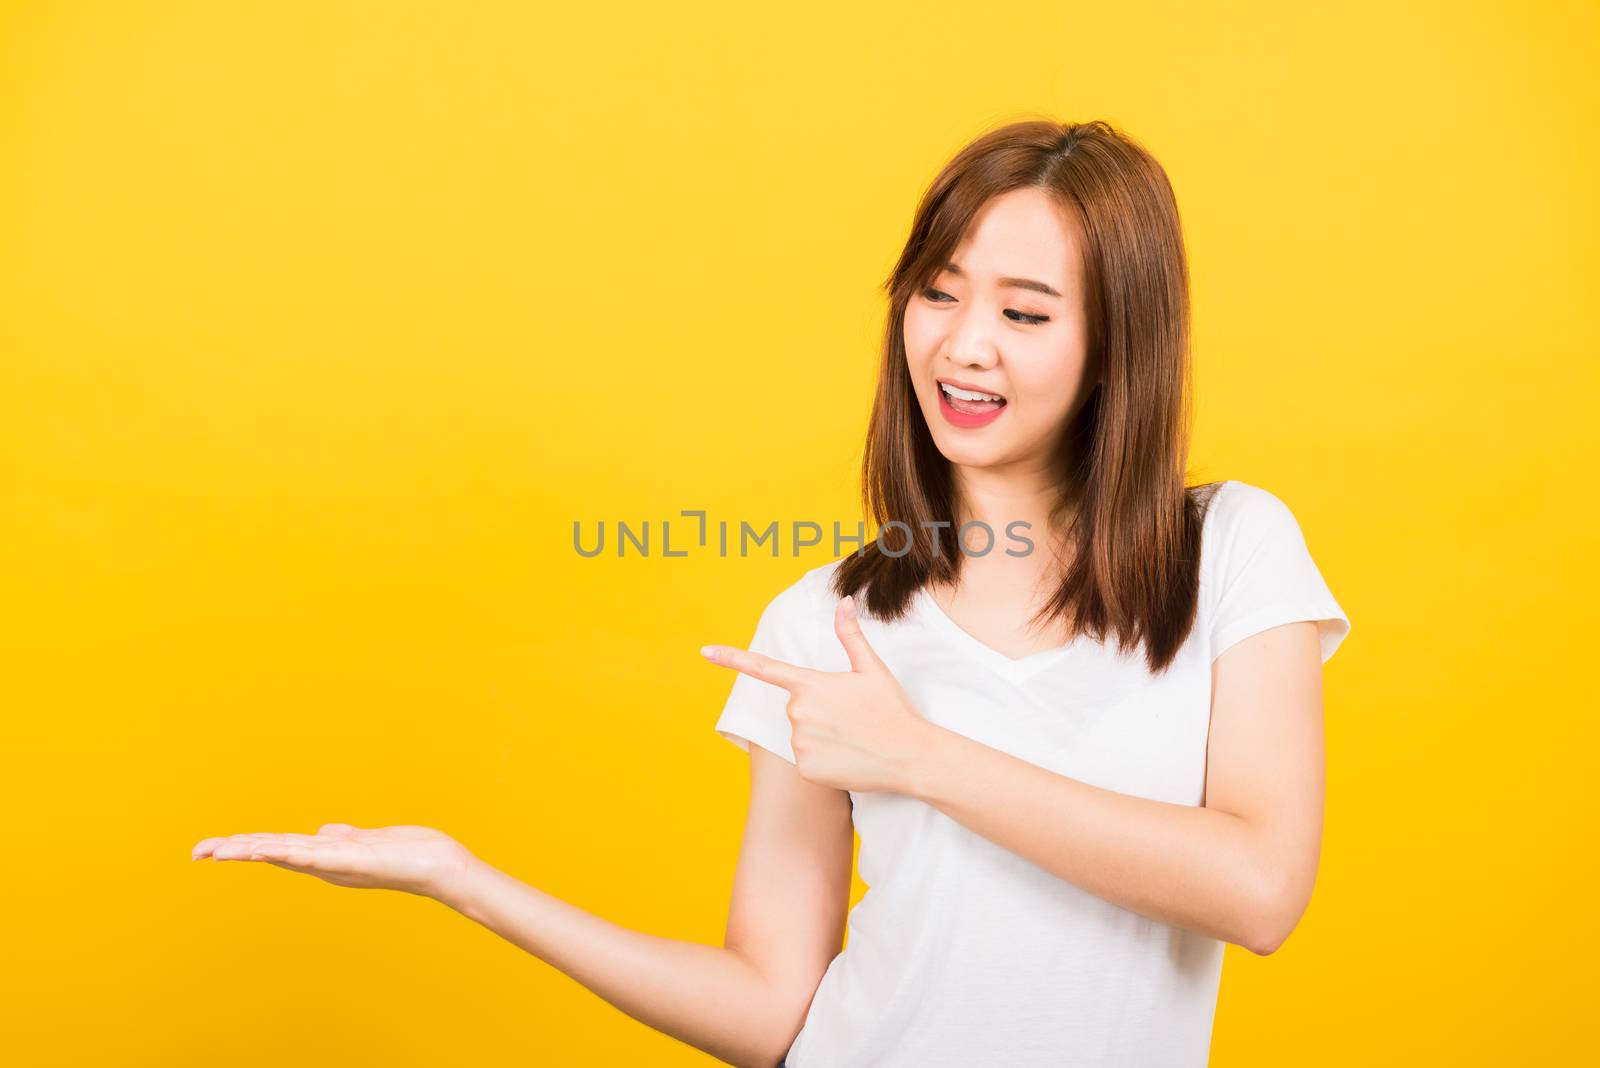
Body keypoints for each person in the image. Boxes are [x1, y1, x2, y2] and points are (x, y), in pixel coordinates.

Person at [191, 118, 1350, 1068]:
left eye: (1025, 313)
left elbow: (1256, 891)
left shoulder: (1233, 551)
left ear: (1117, 347)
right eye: (937, 294)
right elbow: (768, 1005)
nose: (964, 345)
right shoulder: (827, 622)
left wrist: (918, 758)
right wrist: (463, 879)